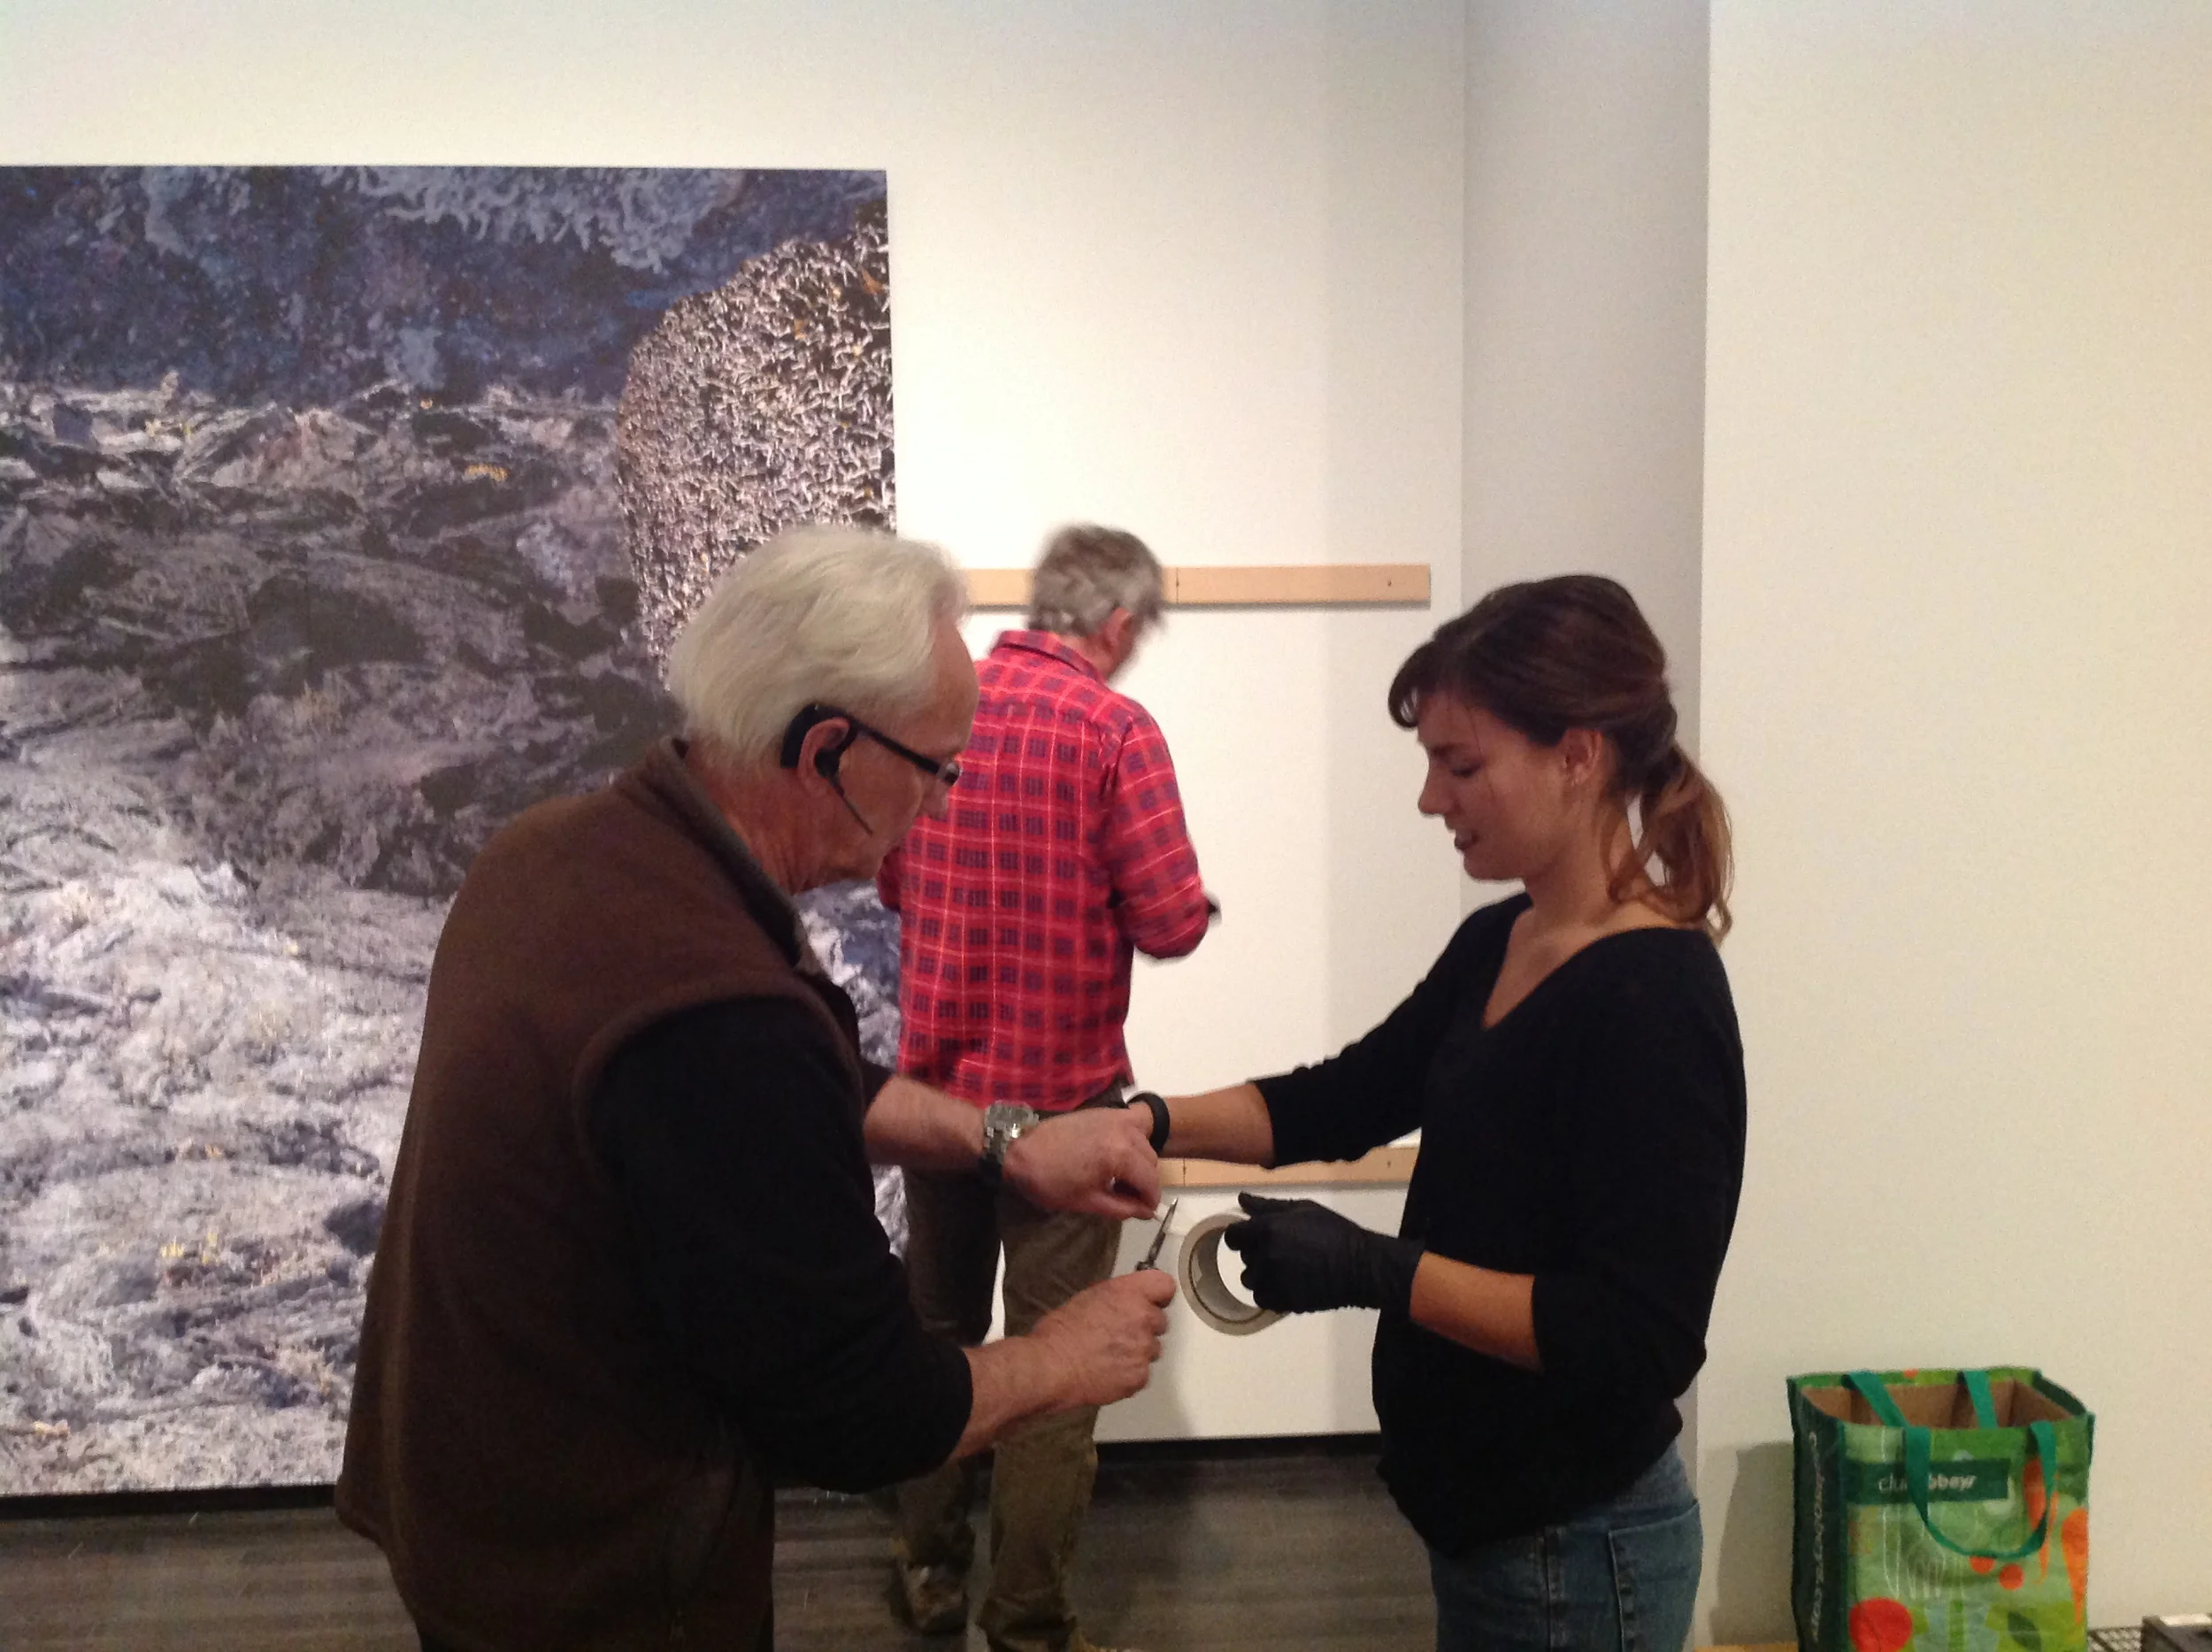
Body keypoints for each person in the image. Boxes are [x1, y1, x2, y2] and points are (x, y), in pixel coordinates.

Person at [336, 526, 1179, 1652]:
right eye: (937, 766)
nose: (941, 803)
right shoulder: (719, 1007)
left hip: (470, 1505)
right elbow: (862, 1409)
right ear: (829, 745)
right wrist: (1072, 1357)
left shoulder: (553, 853)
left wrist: (1004, 1140)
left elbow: (806, 1083)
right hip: (598, 1576)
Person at [1144, 575, 1745, 1652]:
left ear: (1579, 753)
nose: (1431, 799)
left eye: (1461, 765)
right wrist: (1143, 1123)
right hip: (1496, 1529)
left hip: (1572, 1542)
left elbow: (1632, 1336)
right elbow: (1343, 1097)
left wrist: (1375, 1270)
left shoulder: (1656, 998)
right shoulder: (1499, 943)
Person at [876, 525, 1212, 1652]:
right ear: (1116, 624)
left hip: (937, 1108)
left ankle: (926, 1571)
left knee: (932, 1336)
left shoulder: (942, 707)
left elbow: (885, 872)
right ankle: (1023, 1620)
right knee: (1055, 1367)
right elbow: (1167, 919)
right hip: (1065, 1113)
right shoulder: (1115, 730)